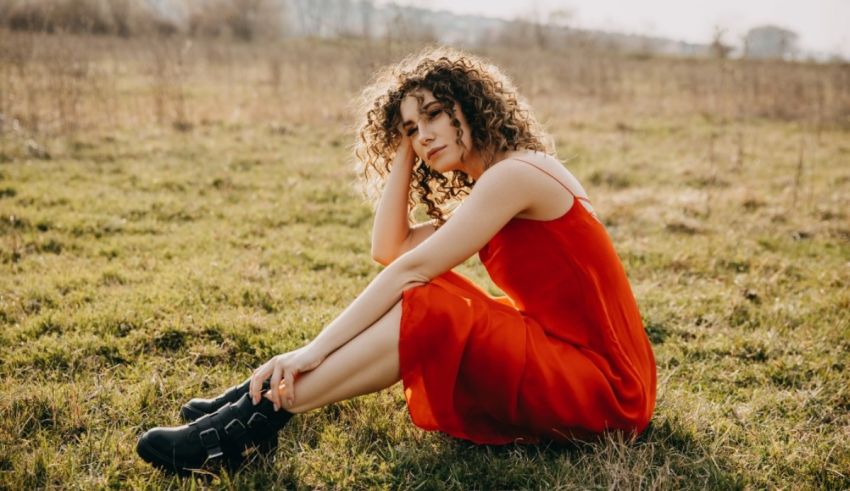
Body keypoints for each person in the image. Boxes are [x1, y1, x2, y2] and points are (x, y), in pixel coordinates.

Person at [136, 46, 657, 472]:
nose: (423, 133)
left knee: (428, 299)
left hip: (608, 388)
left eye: (433, 115)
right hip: (571, 361)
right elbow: (389, 249)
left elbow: (408, 270)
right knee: (438, 293)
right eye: (409, 127)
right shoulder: (494, 185)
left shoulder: (516, 176)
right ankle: (249, 407)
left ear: (472, 107)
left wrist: (310, 351)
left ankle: (257, 415)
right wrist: (407, 150)